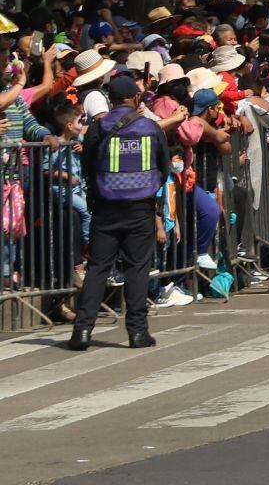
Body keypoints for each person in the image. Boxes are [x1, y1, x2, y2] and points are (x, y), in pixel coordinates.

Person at [67, 74, 164, 350]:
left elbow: (87, 164)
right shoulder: (150, 127)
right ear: (135, 98)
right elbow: (164, 166)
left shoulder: (99, 128)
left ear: (110, 100)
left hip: (105, 208)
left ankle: (82, 332)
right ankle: (137, 332)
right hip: (140, 209)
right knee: (137, 268)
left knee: (97, 268)